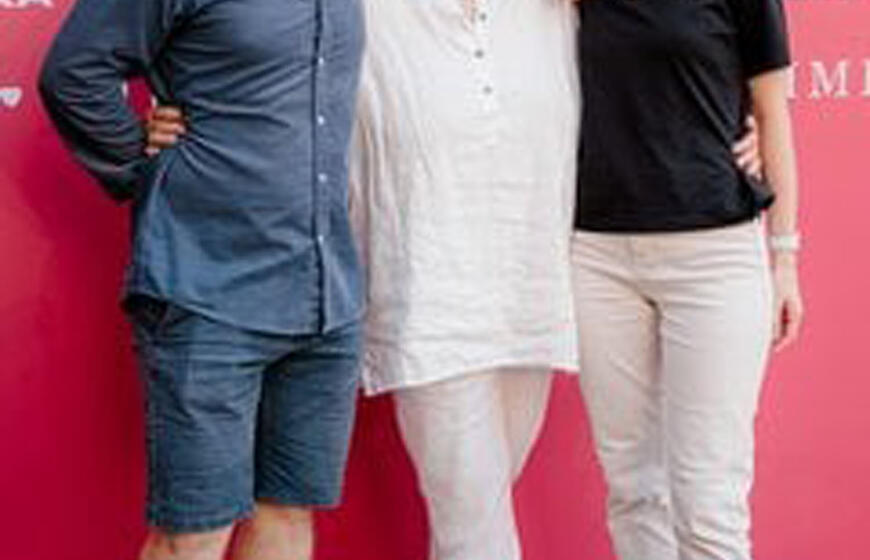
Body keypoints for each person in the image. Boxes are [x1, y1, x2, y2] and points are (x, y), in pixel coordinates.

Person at [144, 0, 762, 557]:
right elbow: (275, 67)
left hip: (531, 292)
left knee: (484, 512)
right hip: (427, 299)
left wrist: (731, 120)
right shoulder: (363, 11)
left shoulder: (555, 8)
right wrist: (181, 112)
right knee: (472, 524)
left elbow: (647, 61)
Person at [38, 1, 365, 559]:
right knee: (193, 534)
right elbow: (72, 72)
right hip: (207, 290)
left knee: (287, 511)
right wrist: (139, 160)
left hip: (323, 293)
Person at [571, 0, 803, 559]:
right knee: (632, 489)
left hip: (714, 256)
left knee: (708, 501)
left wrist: (785, 258)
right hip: (599, 257)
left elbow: (773, 114)